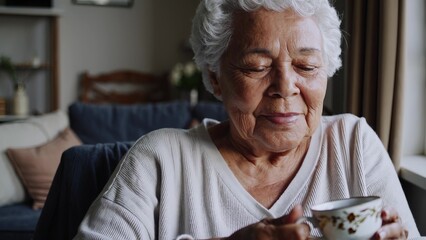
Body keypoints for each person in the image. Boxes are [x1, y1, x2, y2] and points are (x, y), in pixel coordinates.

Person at [74, 0, 421, 239]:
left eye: (307, 67)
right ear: (214, 78)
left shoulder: (352, 144)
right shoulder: (161, 159)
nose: (285, 87)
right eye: (257, 67)